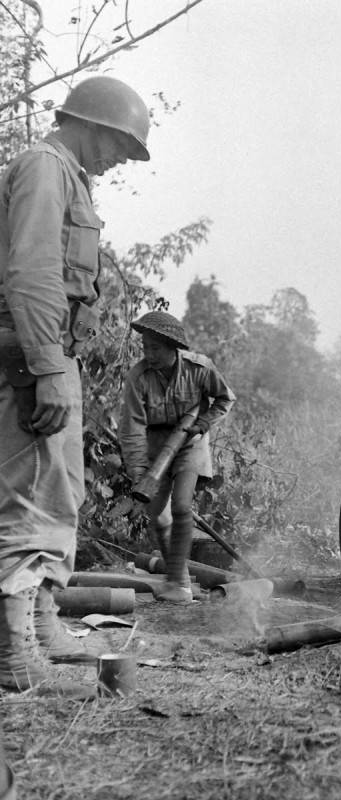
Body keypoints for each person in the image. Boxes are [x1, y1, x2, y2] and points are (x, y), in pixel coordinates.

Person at [0, 76, 150, 692]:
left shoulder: (70, 175)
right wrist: (43, 366)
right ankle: (12, 650)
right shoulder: (44, 167)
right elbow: (31, 273)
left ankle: (39, 624)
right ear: (95, 125)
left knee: (63, 493)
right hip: (33, 356)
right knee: (29, 497)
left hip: (58, 356)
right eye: (122, 146)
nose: (120, 160)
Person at [119, 311, 235, 603]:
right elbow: (131, 428)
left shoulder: (199, 368)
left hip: (190, 442)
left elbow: (225, 398)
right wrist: (139, 473)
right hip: (155, 445)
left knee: (182, 506)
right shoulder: (138, 376)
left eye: (155, 348)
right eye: (145, 347)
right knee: (158, 517)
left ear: (173, 347)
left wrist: (204, 422)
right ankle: (178, 577)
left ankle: (177, 582)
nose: (149, 354)